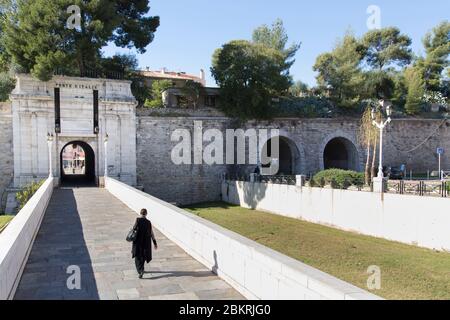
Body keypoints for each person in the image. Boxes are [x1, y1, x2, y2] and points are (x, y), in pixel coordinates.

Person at [131, 209, 158, 278]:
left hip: (138, 242)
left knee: (137, 256)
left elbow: (134, 229)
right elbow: (152, 233)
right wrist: (155, 243)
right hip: (146, 242)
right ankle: (142, 269)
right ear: (146, 214)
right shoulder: (148, 222)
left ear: (140, 213)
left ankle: (140, 271)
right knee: (143, 256)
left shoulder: (138, 220)